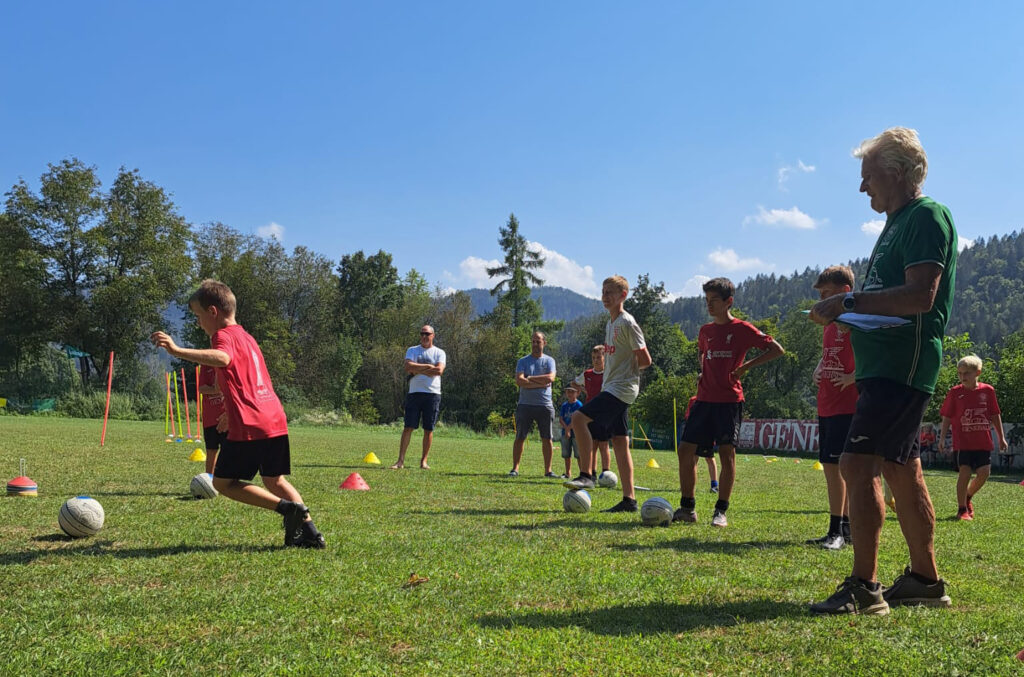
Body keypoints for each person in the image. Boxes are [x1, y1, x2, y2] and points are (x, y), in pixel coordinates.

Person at [809, 127, 957, 615]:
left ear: (894, 173)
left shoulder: (925, 216)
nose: (862, 187)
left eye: (868, 176)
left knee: (855, 465)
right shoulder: (897, 222)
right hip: (887, 365)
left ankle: (864, 587)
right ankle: (924, 580)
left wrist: (848, 301)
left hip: (901, 365)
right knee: (900, 467)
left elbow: (921, 296)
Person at [151, 279, 325, 549]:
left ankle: (286, 510)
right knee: (274, 480)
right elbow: (242, 377)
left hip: (251, 422)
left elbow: (223, 359)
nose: (198, 323)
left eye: (198, 316)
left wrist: (176, 351)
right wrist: (229, 413)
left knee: (222, 482)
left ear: (213, 312)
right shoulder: (247, 337)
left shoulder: (222, 336)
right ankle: (311, 533)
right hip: (273, 417)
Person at [675, 277, 785, 527]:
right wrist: (704, 373)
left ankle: (720, 511)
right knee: (685, 450)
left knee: (726, 453)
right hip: (703, 400)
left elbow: (776, 349)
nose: (709, 305)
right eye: (707, 300)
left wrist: (745, 367)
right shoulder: (706, 331)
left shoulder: (742, 329)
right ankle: (687, 508)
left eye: (714, 300)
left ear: (729, 302)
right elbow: (703, 357)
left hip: (728, 401)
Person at [564, 275, 652, 513]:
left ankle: (586, 475)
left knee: (579, 418)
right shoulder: (610, 323)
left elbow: (645, 360)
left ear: (623, 295)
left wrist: (627, 371)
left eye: (610, 292)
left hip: (620, 389)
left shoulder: (627, 322)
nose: (605, 297)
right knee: (621, 444)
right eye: (603, 292)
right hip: (613, 388)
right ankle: (629, 500)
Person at [807, 266, 858, 550]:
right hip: (826, 403)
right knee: (831, 467)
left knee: (839, 469)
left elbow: (870, 354)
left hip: (846, 406)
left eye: (826, 294)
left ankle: (837, 530)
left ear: (844, 292)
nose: (822, 301)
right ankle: (845, 528)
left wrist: (853, 376)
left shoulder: (856, 322)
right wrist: (818, 368)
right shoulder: (829, 324)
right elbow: (828, 353)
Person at [938, 355, 1007, 520]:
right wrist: (941, 438)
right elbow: (946, 416)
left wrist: (1001, 437)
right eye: (960, 373)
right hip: (963, 442)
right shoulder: (955, 393)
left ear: (978, 373)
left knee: (984, 473)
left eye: (967, 373)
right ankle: (962, 509)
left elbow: (995, 414)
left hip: (982, 441)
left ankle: (968, 496)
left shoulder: (987, 391)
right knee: (965, 472)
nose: (963, 377)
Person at [390, 325, 446, 470]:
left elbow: (439, 370)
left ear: (433, 335)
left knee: (428, 429)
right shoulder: (412, 350)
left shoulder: (440, 352)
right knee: (408, 427)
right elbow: (408, 367)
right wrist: (428, 367)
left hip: (433, 394)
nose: (424, 336)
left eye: (427, 334)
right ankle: (400, 461)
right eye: (422, 333)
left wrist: (418, 369)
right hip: (414, 393)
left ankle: (424, 461)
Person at [509, 331, 557, 477]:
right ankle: (515, 469)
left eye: (538, 341)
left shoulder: (549, 361)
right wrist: (540, 383)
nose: (535, 344)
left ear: (544, 343)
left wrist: (529, 379)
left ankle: (548, 471)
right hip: (525, 405)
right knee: (520, 437)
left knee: (547, 438)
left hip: (544, 405)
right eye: (533, 342)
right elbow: (519, 381)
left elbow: (550, 378)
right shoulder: (522, 361)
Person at [573, 346, 612, 477]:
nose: (596, 360)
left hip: (604, 413)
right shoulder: (587, 374)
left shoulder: (609, 373)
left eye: (599, 357)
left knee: (604, 444)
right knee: (592, 444)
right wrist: (584, 391)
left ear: (604, 358)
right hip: (589, 413)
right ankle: (592, 472)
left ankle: (606, 472)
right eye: (594, 358)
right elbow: (574, 383)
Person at [680, 396, 719, 493]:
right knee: (693, 459)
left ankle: (714, 486)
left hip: (707, 433)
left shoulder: (712, 398)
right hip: (695, 432)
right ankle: (690, 485)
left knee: (710, 458)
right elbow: (688, 416)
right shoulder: (693, 400)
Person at [197, 364, 226, 476]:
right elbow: (201, 388)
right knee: (211, 450)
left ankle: (226, 478)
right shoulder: (205, 366)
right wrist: (215, 390)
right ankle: (209, 479)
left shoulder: (226, 365)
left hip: (225, 418)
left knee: (227, 450)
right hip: (210, 418)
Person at [558, 386, 583, 478]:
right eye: (568, 392)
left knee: (578, 454)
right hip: (565, 433)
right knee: (566, 454)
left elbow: (579, 419)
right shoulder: (564, 405)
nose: (569, 394)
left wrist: (568, 429)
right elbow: (561, 419)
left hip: (576, 433)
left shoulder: (579, 405)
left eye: (572, 392)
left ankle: (582, 473)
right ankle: (568, 473)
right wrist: (566, 429)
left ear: (577, 393)